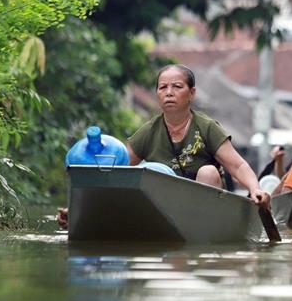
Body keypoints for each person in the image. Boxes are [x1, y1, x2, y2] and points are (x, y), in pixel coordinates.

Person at [56, 64, 270, 228]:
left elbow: (238, 166)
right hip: (164, 208)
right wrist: (79, 210)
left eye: (177, 87)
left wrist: (255, 189)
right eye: (163, 87)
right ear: (157, 94)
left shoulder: (206, 127)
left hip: (205, 209)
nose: (169, 92)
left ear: (191, 93)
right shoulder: (149, 131)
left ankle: (197, 228)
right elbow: (116, 173)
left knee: (207, 171)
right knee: (145, 176)